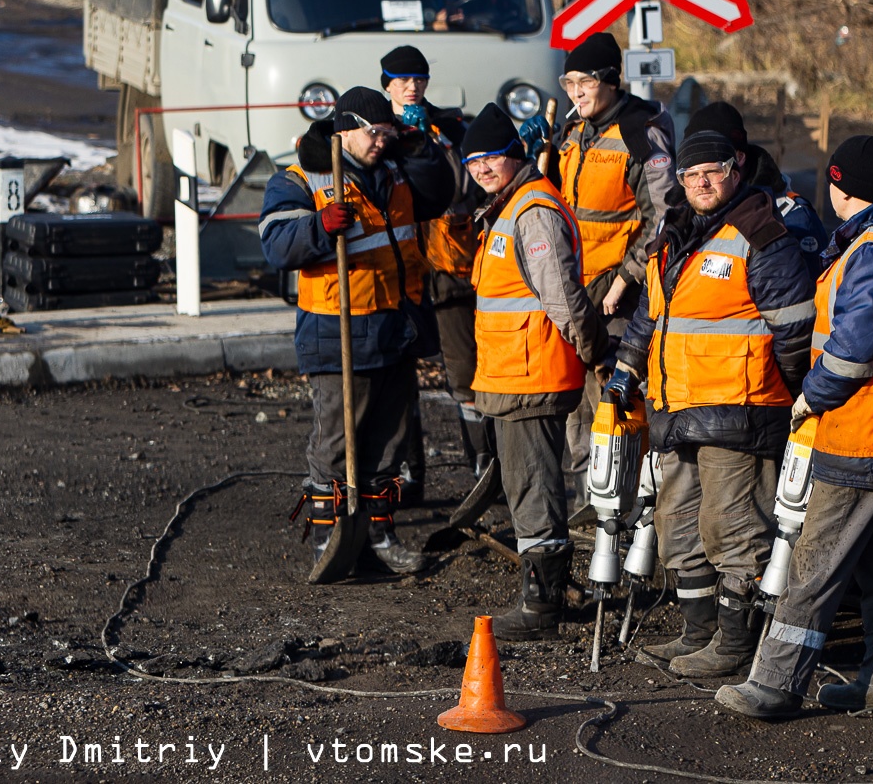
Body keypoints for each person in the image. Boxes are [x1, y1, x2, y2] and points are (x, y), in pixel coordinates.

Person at [716, 136, 873, 718]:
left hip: (867, 430)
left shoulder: (872, 250)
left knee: (816, 559)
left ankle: (774, 682)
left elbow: (854, 348)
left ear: (840, 188)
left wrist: (810, 397)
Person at [608, 127, 815, 676]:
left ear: (736, 168)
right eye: (689, 176)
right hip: (677, 407)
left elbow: (795, 330)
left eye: (711, 173)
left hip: (740, 410)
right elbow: (650, 317)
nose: (700, 184)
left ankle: (732, 645)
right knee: (679, 524)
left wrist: (789, 392)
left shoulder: (761, 234)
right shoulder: (676, 234)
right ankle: (697, 631)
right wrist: (625, 372)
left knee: (735, 528)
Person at [259, 86, 454, 579]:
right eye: (373, 132)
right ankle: (331, 536)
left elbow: (440, 193)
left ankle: (380, 534)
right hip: (338, 330)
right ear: (343, 130)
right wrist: (320, 228)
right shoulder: (301, 178)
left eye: (386, 132)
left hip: (394, 326)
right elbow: (276, 245)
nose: (380, 141)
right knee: (337, 441)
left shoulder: (394, 172)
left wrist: (415, 143)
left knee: (390, 443)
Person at [462, 103, 613, 639]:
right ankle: (543, 594)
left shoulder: (531, 211)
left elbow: (565, 300)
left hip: (534, 375)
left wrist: (595, 354)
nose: (482, 169)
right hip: (513, 375)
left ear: (515, 156)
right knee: (528, 485)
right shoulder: (508, 206)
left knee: (535, 488)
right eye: (474, 160)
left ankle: (541, 607)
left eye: (492, 158)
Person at [521, 31, 678, 520]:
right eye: (568, 82)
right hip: (573, 288)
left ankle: (626, 512)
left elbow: (665, 216)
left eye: (584, 81)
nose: (575, 92)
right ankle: (591, 504)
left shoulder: (640, 131)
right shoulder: (572, 130)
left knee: (615, 400)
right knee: (576, 405)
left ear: (610, 80)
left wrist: (625, 277)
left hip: (616, 295)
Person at [379, 44, 486, 503]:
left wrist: (434, 147)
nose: (412, 87)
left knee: (464, 372)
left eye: (419, 79)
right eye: (402, 79)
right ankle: (407, 474)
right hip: (396, 269)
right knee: (400, 377)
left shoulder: (450, 127)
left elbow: (468, 186)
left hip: (449, 266)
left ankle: (483, 466)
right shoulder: (373, 130)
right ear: (386, 84)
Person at [683, 101, 829, 260]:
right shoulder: (679, 215)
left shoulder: (789, 216)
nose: (702, 180)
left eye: (713, 164)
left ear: (739, 157)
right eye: (693, 163)